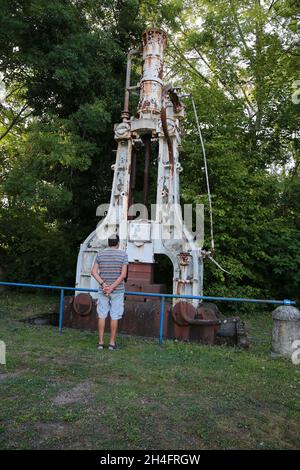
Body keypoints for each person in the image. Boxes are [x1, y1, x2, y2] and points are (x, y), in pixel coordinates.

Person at [91, 234, 128, 350]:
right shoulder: (123, 254)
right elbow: (123, 275)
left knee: (102, 315)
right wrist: (112, 287)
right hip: (117, 291)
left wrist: (103, 284)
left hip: (103, 290)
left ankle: (100, 343)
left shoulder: (100, 254)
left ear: (108, 243)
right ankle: (112, 344)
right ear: (118, 243)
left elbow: (93, 272)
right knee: (114, 316)